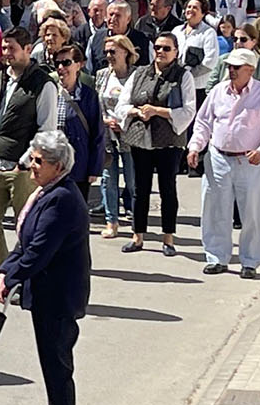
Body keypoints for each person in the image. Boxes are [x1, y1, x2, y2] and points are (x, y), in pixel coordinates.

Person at [0, 130, 90, 405]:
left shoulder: (61, 199)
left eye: (38, 161)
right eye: (31, 159)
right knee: (52, 364)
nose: (31, 166)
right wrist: (4, 271)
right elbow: (24, 244)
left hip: (59, 296)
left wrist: (10, 277)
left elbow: (38, 252)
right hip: (48, 294)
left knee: (57, 365)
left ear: (58, 165)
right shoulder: (47, 192)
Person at [187, 47, 260, 277]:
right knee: (214, 209)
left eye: (236, 67)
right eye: (229, 66)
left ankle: (250, 261)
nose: (231, 70)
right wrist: (195, 147)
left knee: (252, 213)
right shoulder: (219, 91)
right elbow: (203, 122)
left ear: (250, 70)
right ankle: (216, 257)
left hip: (249, 161)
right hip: (218, 156)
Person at [0, 27, 57, 293]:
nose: (6, 54)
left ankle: (26, 279)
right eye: (4, 48)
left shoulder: (43, 84)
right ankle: (2, 270)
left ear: (28, 49)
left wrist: (24, 161)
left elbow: (47, 128)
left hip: (22, 169)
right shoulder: (1, 78)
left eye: (12, 48)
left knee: (27, 228)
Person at [116, 33, 194, 256]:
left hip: (169, 141)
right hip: (141, 139)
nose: (161, 52)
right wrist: (136, 111)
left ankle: (168, 239)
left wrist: (158, 111)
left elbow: (188, 110)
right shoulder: (140, 73)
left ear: (176, 52)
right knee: (140, 189)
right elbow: (123, 103)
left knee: (167, 189)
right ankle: (137, 236)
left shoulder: (182, 76)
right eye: (158, 47)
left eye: (166, 48)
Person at [96, 36, 138, 238]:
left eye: (113, 51)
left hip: (130, 137)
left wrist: (125, 123)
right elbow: (96, 106)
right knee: (108, 180)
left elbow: (139, 104)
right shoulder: (102, 75)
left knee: (133, 181)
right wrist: (105, 121)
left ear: (126, 52)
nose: (109, 56)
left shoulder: (136, 76)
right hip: (107, 137)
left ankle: (138, 222)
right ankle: (111, 221)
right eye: (107, 52)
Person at [53, 43, 105, 204]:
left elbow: (98, 134)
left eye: (66, 62)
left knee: (77, 211)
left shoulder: (89, 96)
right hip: (52, 163)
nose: (61, 67)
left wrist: (94, 168)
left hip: (78, 163)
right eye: (58, 63)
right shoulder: (49, 91)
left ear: (79, 65)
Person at [174, 0, 221, 100]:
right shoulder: (176, 31)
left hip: (196, 88)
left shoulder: (208, 33)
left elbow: (210, 61)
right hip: (175, 86)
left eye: (195, 8)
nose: (190, 10)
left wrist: (188, 76)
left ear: (203, 13)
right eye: (188, 7)